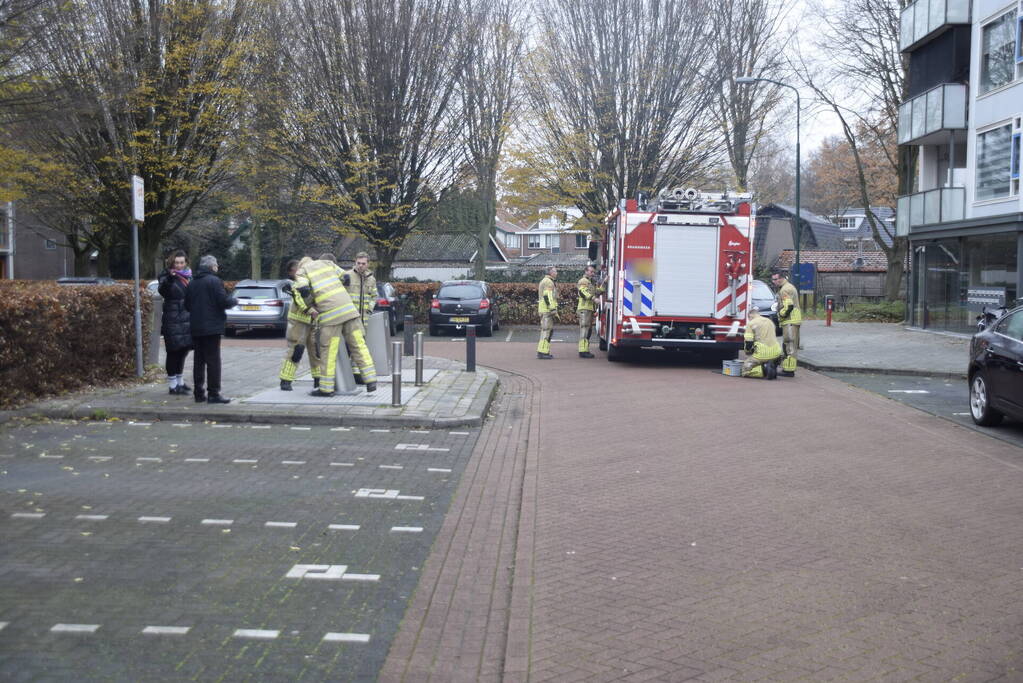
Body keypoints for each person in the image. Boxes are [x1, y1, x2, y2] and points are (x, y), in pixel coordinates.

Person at [293, 256, 376, 396]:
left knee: (328, 352)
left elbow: (302, 288)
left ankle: (326, 388)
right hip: (350, 311)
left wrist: (307, 297)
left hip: (331, 316)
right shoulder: (327, 263)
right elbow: (345, 277)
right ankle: (371, 379)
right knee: (359, 345)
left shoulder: (302, 271)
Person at [184, 255, 237, 403]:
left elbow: (187, 305)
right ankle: (214, 393)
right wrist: (234, 300)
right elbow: (223, 302)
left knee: (198, 361)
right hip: (212, 328)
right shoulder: (215, 281)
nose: (217, 267)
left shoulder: (192, 283)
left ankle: (198, 393)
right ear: (212, 267)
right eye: (216, 265)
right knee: (213, 361)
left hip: (196, 327)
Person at [278, 258, 320, 391]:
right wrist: (309, 310)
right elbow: (299, 299)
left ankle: (318, 380)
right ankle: (286, 380)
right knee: (296, 349)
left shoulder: (314, 280)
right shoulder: (299, 283)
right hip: (298, 321)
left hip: (313, 322)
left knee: (316, 351)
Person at [157, 250, 193, 395]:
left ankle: (180, 381)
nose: (179, 265)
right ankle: (172, 385)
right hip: (172, 320)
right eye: (176, 262)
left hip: (186, 320)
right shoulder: (166, 276)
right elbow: (163, 290)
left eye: (181, 262)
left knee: (183, 351)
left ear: (186, 263)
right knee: (173, 352)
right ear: (172, 262)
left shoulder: (189, 276)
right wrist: (170, 280)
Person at [344, 251, 377, 384]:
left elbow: (374, 296)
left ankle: (357, 374)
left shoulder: (371, 279)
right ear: (355, 262)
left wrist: (369, 309)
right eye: (358, 263)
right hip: (350, 318)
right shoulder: (347, 276)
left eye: (363, 263)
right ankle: (345, 374)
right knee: (347, 346)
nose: (360, 266)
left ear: (368, 264)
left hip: (364, 320)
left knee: (360, 347)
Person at [771, 270, 802, 377]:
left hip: (790, 321)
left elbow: (788, 306)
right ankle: (788, 368)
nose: (773, 282)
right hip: (793, 320)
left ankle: (789, 370)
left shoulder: (785, 290)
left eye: (775, 279)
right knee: (790, 344)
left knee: (789, 345)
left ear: (781, 279)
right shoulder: (789, 287)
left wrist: (781, 314)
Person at [741, 306, 781, 379]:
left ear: (750, 316)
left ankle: (765, 370)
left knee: (745, 370)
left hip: (763, 353)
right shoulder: (769, 321)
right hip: (777, 351)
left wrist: (748, 352)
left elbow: (748, 343)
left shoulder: (751, 324)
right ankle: (772, 366)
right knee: (770, 357)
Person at [576, 265, 604, 358]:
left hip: (589, 309)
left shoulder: (590, 282)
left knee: (588, 329)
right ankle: (582, 350)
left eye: (593, 272)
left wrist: (605, 283)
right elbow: (583, 292)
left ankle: (585, 349)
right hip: (584, 308)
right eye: (591, 272)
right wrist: (594, 298)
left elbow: (597, 291)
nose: (592, 273)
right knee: (584, 329)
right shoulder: (583, 281)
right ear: (586, 271)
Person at [537, 266, 558, 359]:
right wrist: (552, 309)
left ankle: (544, 351)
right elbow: (547, 296)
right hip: (547, 310)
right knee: (546, 331)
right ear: (550, 272)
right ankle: (542, 352)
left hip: (545, 309)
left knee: (546, 330)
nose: (556, 273)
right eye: (555, 271)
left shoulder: (546, 281)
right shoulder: (549, 282)